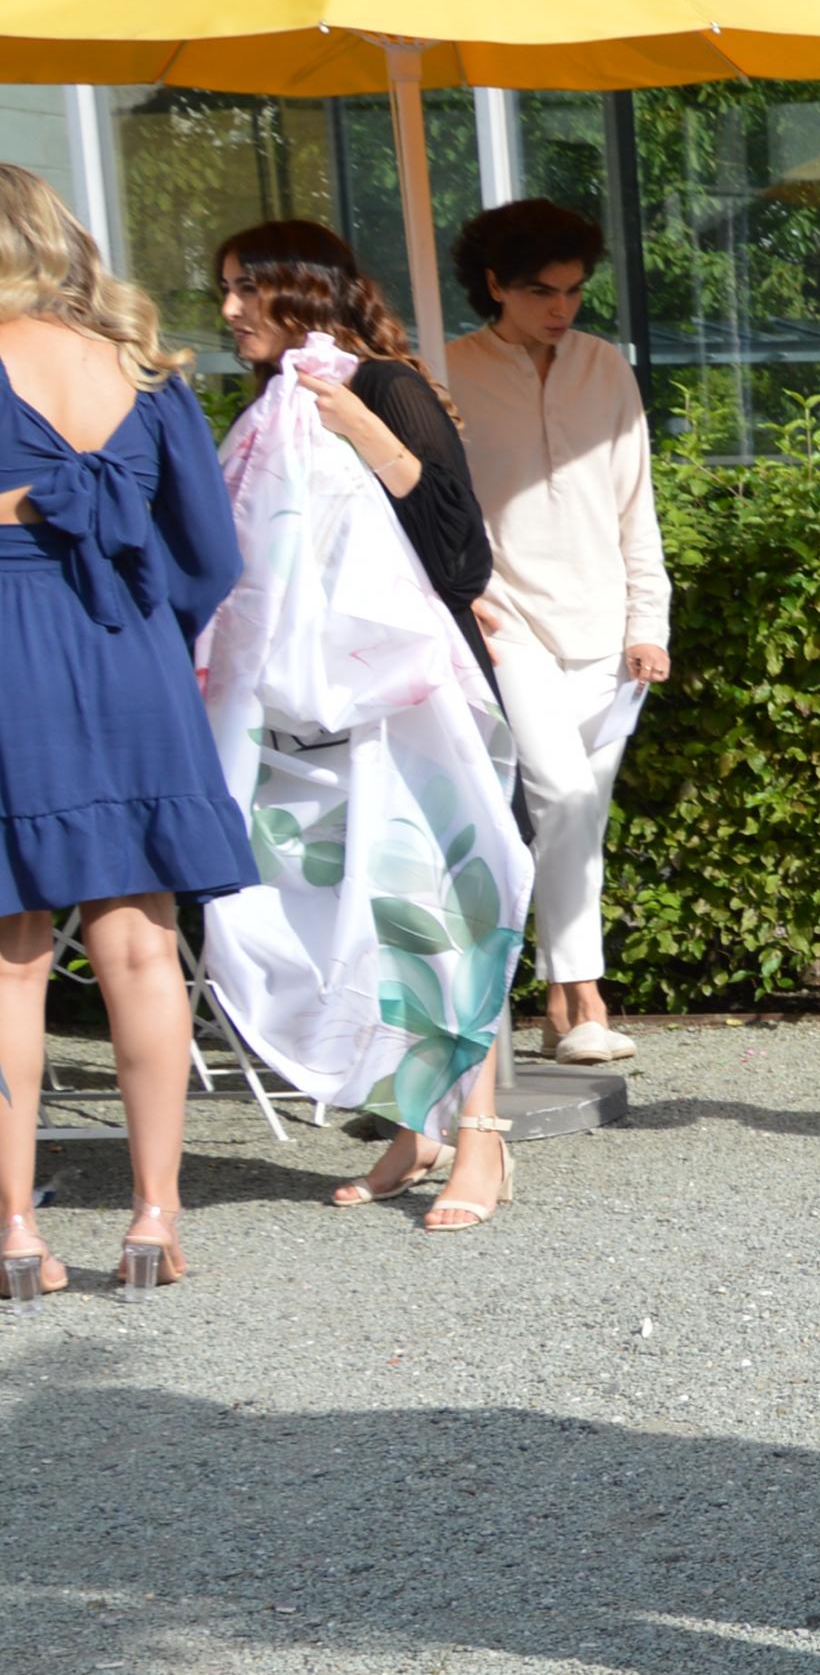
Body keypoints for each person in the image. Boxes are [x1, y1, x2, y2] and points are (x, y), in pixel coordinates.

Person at [213, 220, 520, 1232]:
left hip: (417, 705)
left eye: (245, 289)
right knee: (370, 911)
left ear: (302, 290)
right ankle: (414, 1124)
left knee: (450, 900)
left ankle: (481, 1136)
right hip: (320, 709)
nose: (229, 311)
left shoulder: (383, 386)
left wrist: (362, 428)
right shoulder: (269, 409)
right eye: (225, 291)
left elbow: (461, 554)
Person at [0, 166, 251, 1299]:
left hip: (11, 656)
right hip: (132, 654)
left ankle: (15, 1231)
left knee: (11, 959)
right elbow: (209, 554)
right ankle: (154, 1218)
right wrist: (144, 631)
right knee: (145, 946)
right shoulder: (146, 367)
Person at [445, 198, 667, 1069]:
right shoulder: (446, 370)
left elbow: (636, 505)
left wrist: (648, 622)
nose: (561, 307)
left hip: (607, 633)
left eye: (574, 290)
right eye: (542, 290)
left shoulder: (606, 367)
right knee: (564, 799)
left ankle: (557, 1003)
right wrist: (466, 594)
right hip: (508, 624)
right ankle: (586, 995)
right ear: (494, 284)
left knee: (579, 820)